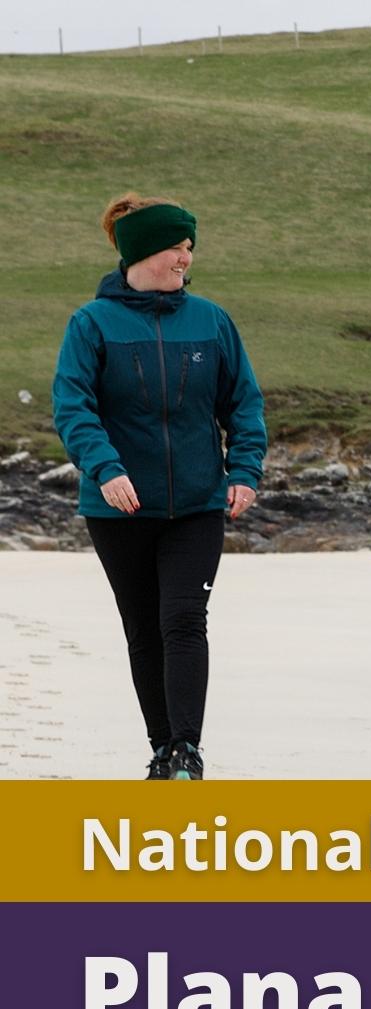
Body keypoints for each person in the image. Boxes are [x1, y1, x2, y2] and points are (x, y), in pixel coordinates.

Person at [52, 193, 266, 780]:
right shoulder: (91, 324)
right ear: (147, 249)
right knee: (143, 625)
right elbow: (73, 406)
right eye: (179, 247)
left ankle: (187, 751)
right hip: (119, 507)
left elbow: (243, 403)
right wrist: (106, 466)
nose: (186, 260)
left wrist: (245, 470)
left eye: (189, 249)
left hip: (197, 503)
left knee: (183, 617)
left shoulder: (212, 322)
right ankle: (162, 746)